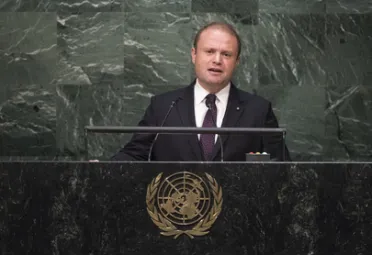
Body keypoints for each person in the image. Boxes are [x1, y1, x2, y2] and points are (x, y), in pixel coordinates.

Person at [111, 21, 290, 161]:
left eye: (226, 54)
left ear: (237, 62)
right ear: (194, 55)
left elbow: (281, 166)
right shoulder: (163, 107)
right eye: (210, 51)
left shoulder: (258, 110)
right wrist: (99, 169)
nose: (217, 60)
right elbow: (136, 155)